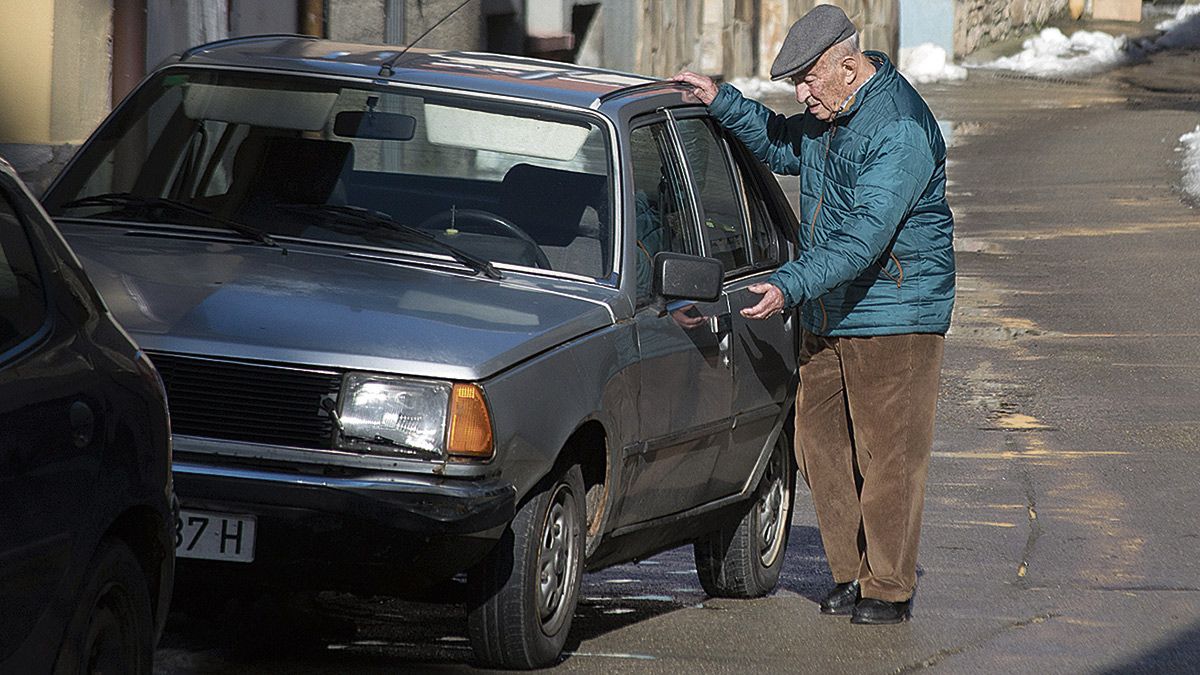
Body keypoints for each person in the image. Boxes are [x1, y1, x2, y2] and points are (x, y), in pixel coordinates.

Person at [675, 4, 955, 625]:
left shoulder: (898, 129)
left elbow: (862, 240)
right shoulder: (832, 114)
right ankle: (851, 574)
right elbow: (781, 144)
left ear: (849, 67)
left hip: (895, 312)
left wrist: (788, 284)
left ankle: (889, 586)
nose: (802, 94)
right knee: (819, 444)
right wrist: (723, 101)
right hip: (832, 307)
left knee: (889, 455)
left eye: (808, 80)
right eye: (795, 83)